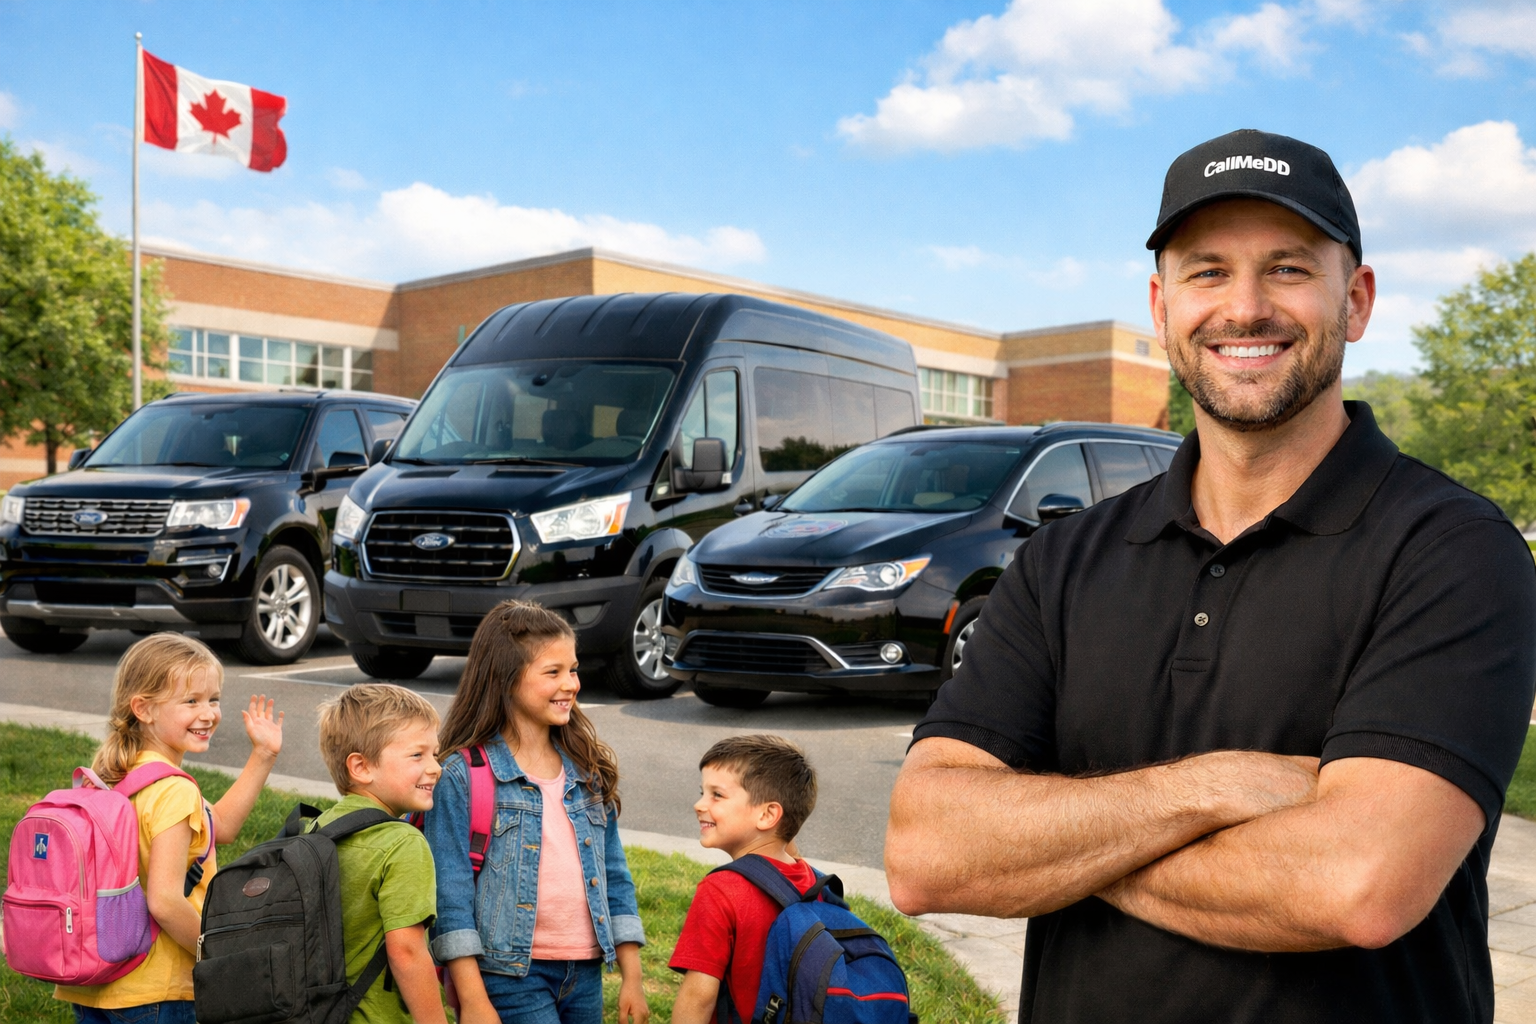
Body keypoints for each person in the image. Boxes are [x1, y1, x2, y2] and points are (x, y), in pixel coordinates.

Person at [885, 128, 1536, 1024]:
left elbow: (1358, 883)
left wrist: (1056, 848)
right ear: (1161, 306)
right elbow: (927, 851)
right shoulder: (1065, 560)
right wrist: (1218, 787)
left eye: (1289, 269)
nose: (1245, 307)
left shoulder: (1453, 551)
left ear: (1358, 299)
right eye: (1206, 271)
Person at [423, 600, 649, 1024]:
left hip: (584, 972)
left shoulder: (587, 769)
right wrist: (473, 1000)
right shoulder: (462, 776)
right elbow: (450, 899)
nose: (571, 684)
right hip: (509, 976)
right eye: (553, 672)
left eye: (574, 669)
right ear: (507, 679)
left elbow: (615, 875)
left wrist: (632, 976)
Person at [55, 633, 284, 1024]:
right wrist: (219, 954)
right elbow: (164, 901)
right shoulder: (173, 789)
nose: (208, 713)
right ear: (143, 708)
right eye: (191, 701)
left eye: (213, 699)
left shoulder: (114, 776)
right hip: (157, 991)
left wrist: (262, 755)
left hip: (97, 982)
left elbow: (220, 828)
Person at [313, 683, 448, 1024]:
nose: (435, 767)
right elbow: (406, 952)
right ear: (361, 767)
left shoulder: (315, 829)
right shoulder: (403, 844)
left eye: (435, 753)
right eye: (417, 755)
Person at [669, 735, 819, 1024]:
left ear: (767, 814)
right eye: (702, 792)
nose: (699, 804)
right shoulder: (813, 882)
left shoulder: (720, 891)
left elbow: (698, 997)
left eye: (717, 795)